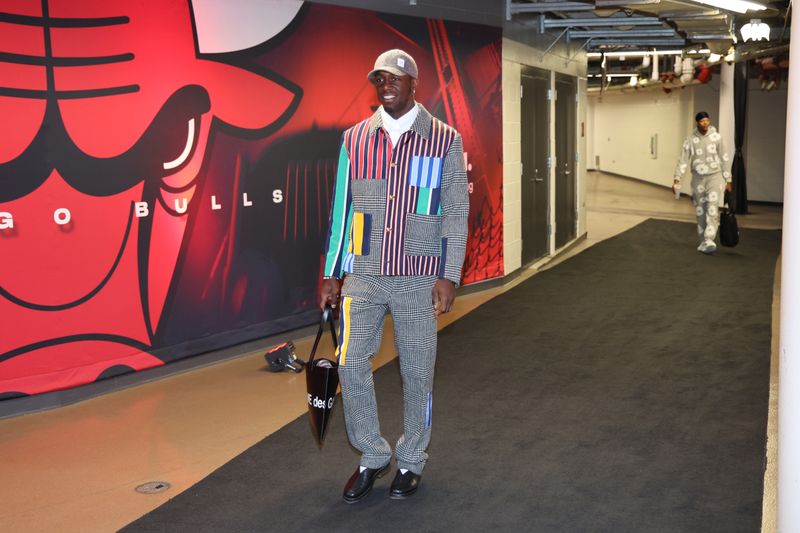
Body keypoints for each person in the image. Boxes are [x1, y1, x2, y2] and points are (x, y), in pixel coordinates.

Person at [319, 49, 469, 503]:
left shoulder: (444, 139)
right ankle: (372, 454)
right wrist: (331, 272)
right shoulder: (355, 140)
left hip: (420, 275)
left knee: (418, 371)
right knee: (349, 362)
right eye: (379, 78)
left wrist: (449, 274)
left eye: (395, 78)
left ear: (414, 84)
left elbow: (456, 212)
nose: (386, 84)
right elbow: (341, 208)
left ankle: (411, 460)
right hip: (363, 272)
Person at [673, 111, 733, 254]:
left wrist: (728, 179)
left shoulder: (717, 138)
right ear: (697, 123)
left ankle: (709, 239)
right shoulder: (689, 140)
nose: (705, 123)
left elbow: (724, 158)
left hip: (715, 177)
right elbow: (683, 159)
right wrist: (677, 178)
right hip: (698, 179)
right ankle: (703, 241)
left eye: (707, 120)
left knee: (712, 209)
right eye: (702, 121)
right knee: (701, 210)